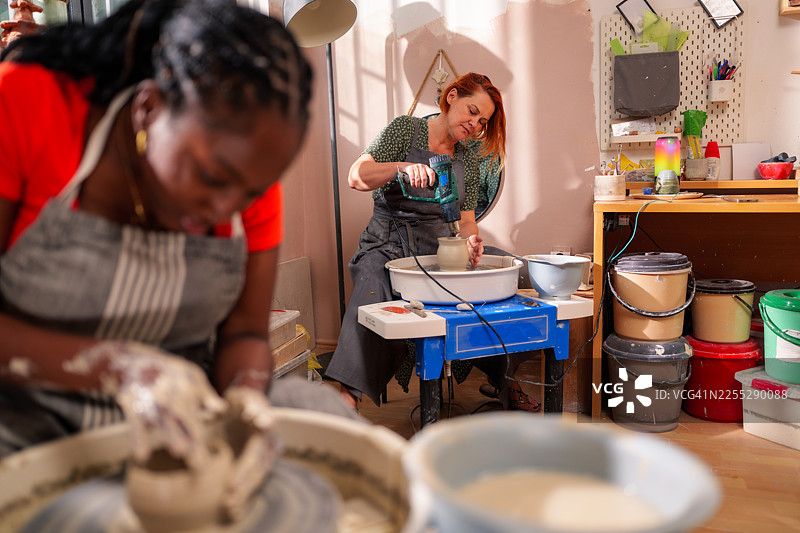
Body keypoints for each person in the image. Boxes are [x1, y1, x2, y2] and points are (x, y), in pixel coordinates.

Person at [0, 0, 356, 519]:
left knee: (328, 424)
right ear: (148, 108)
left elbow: (246, 336)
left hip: (185, 411)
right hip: (29, 406)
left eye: (249, 193)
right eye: (211, 178)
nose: (224, 207)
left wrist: (245, 399)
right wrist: (117, 368)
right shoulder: (29, 101)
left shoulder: (243, 177)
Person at [325, 72, 539, 413]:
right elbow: (356, 176)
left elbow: (466, 218)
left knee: (518, 276)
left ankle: (503, 378)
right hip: (387, 245)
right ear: (451, 96)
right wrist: (400, 168)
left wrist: (470, 240)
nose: (474, 124)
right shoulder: (403, 129)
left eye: (482, 121)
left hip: (438, 248)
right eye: (471, 111)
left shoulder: (467, 156)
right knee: (372, 286)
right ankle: (347, 398)